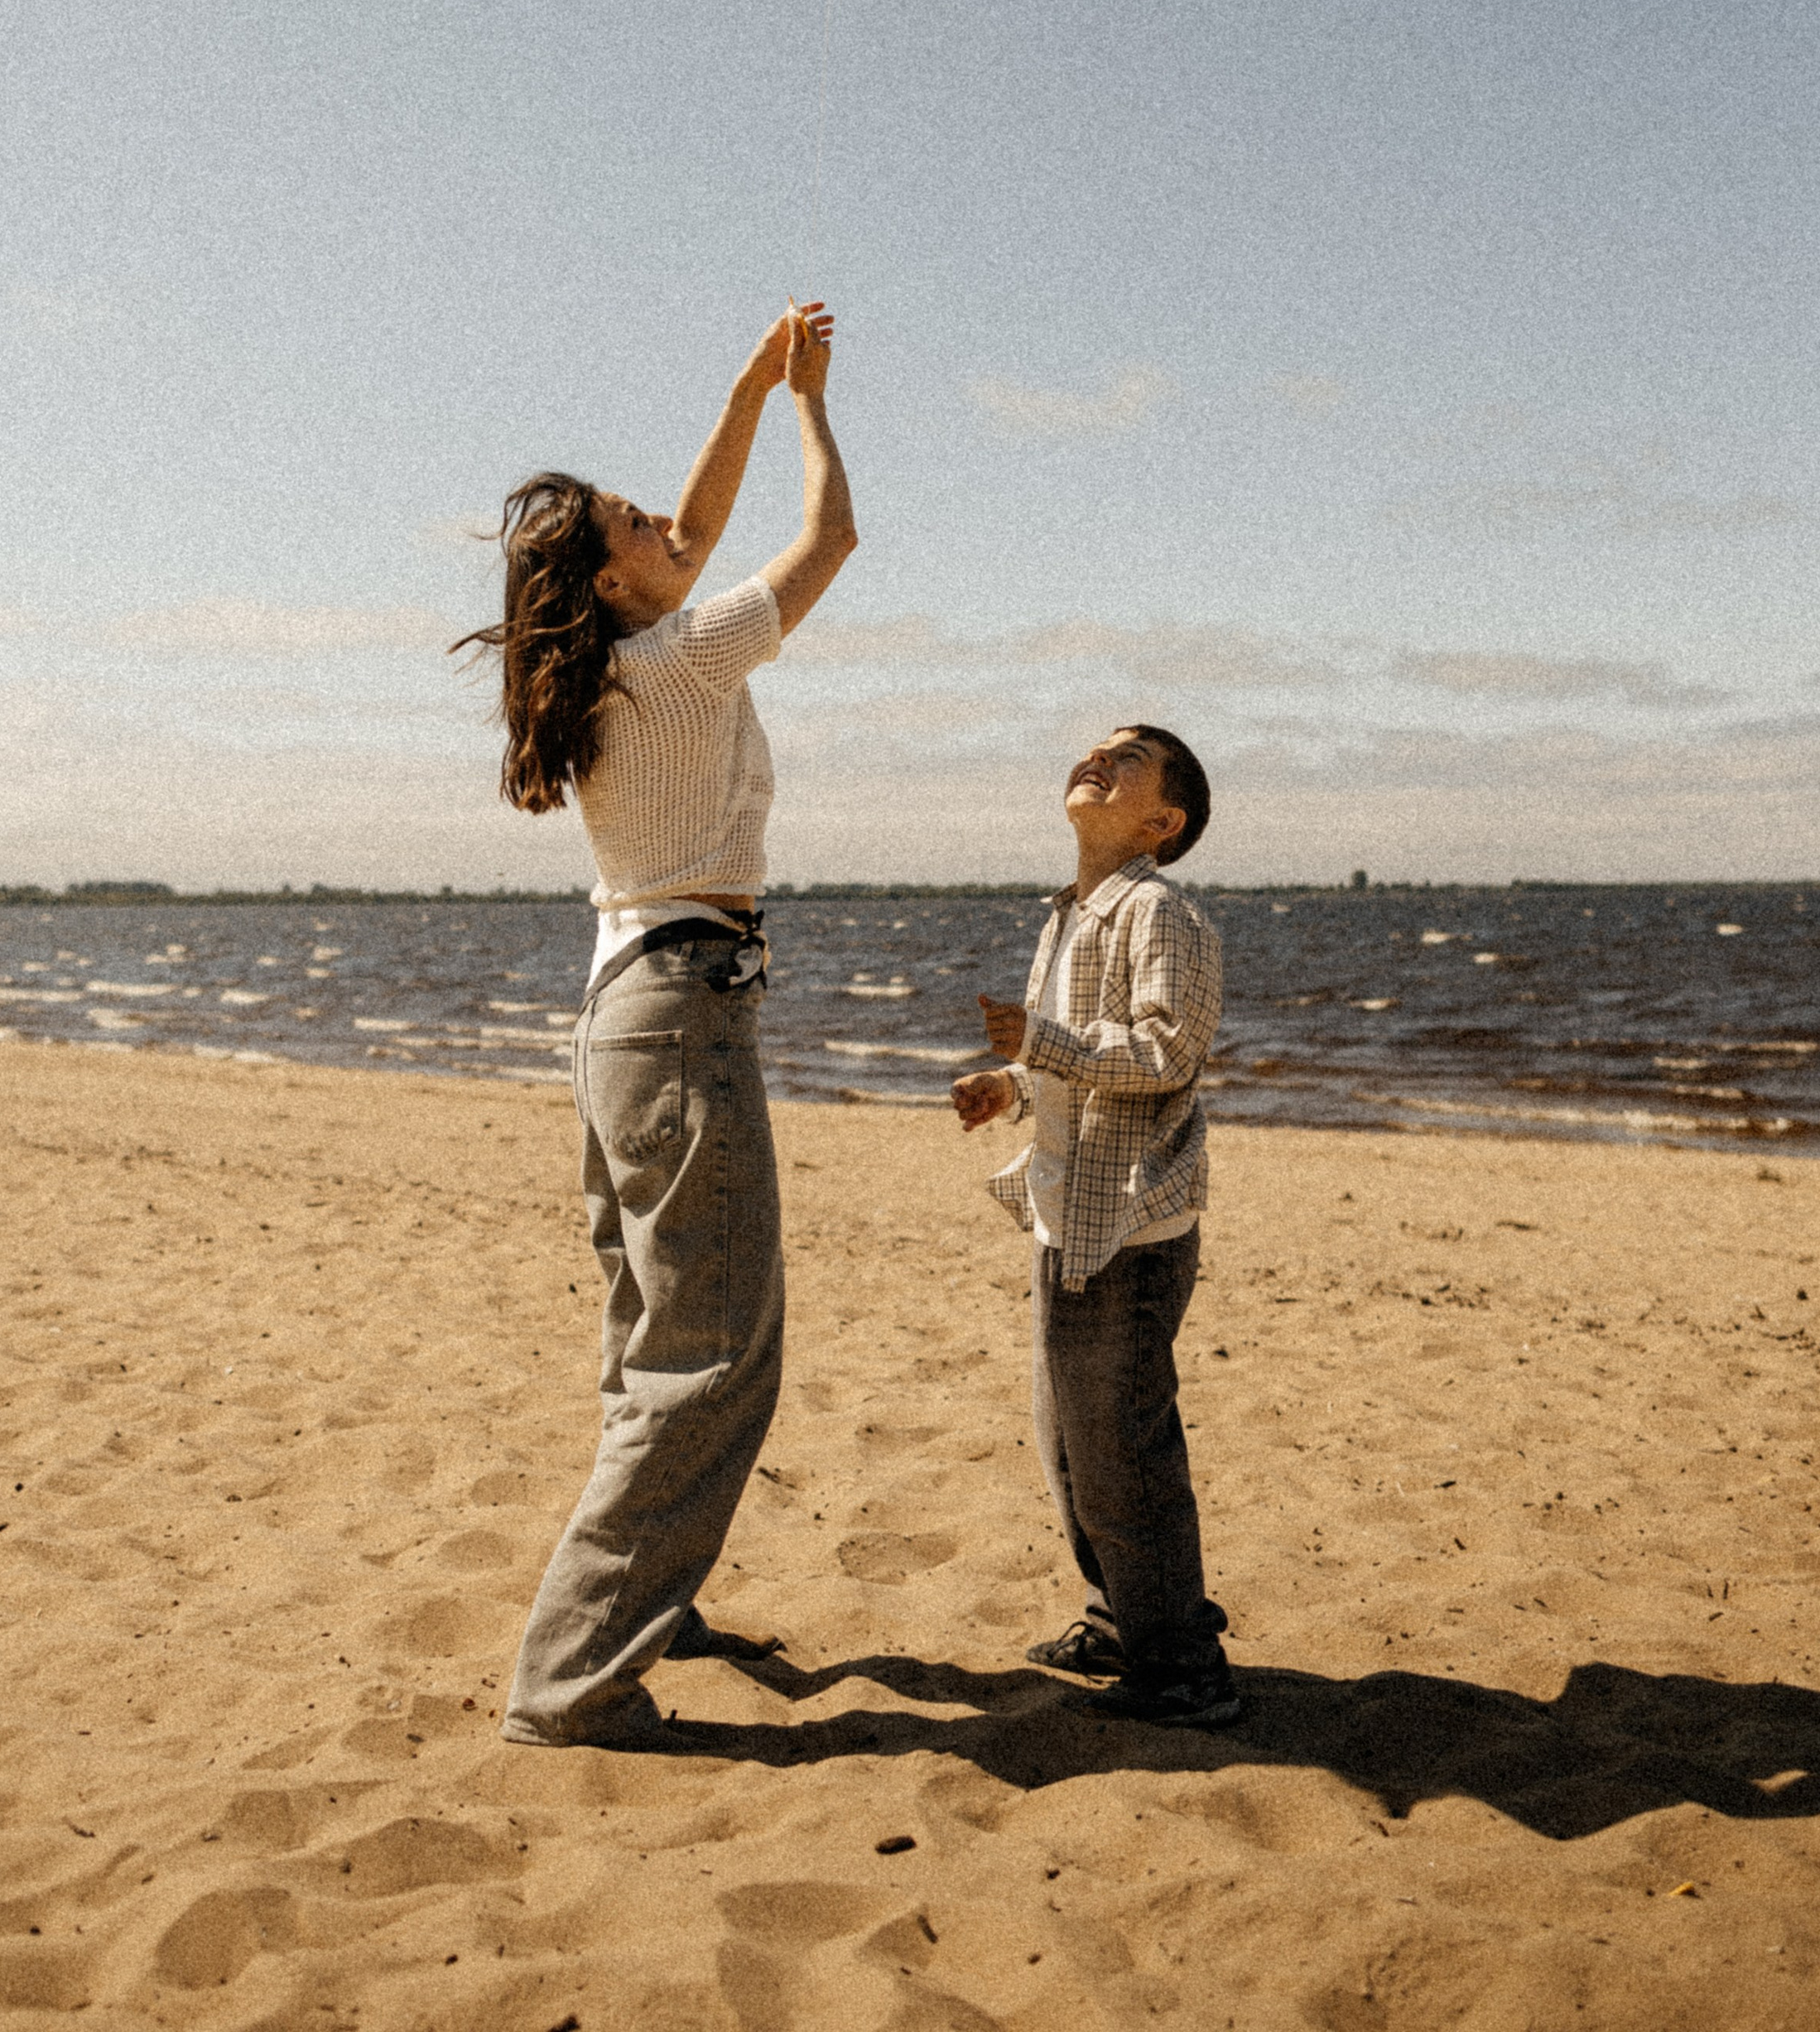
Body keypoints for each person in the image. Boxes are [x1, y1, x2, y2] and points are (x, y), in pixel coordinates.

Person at [459, 303, 856, 1750]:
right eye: (635, 524)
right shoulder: (682, 658)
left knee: (651, 1335)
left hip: (625, 1013)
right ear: (614, 581)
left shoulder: (619, 664)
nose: (667, 527)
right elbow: (829, 541)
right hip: (677, 1013)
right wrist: (810, 407)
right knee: (715, 1351)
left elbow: (690, 528)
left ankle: (650, 1605)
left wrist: (749, 382)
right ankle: (573, 1680)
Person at [951, 725, 1241, 1729]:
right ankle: (1121, 1622)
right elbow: (1072, 1060)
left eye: (1127, 760)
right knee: (1071, 1447)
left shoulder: (1161, 913)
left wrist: (1041, 1043)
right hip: (1066, 1215)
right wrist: (1012, 1083)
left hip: (1129, 1226)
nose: (1097, 760)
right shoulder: (1070, 914)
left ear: (1163, 822)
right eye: (1095, 749)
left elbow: (1165, 1052)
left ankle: (1185, 1670)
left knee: (1123, 1453)